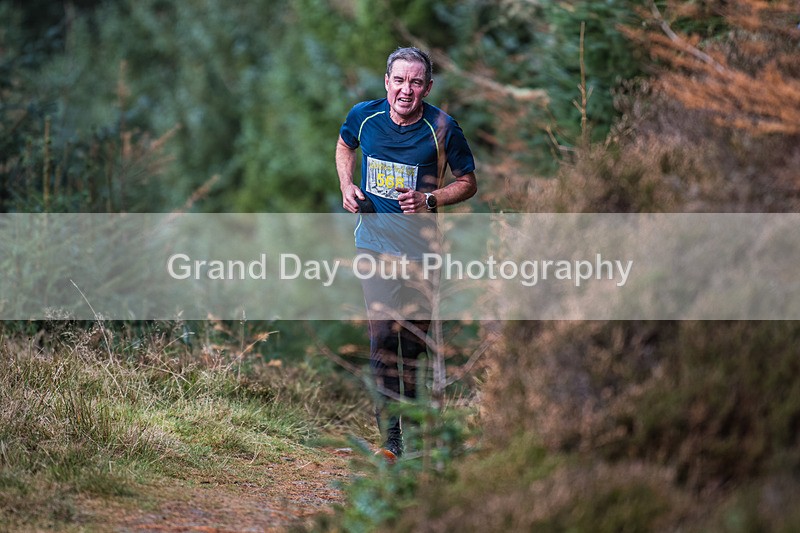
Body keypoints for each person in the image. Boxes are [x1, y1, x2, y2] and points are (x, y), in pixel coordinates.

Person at [335, 47, 477, 461]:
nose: (406, 90)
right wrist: (347, 187)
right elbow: (345, 146)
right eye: (399, 80)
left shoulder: (443, 127)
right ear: (386, 82)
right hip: (374, 243)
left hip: (421, 253)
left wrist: (430, 200)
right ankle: (390, 441)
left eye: (416, 82)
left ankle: (416, 434)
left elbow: (468, 181)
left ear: (427, 87)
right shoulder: (365, 116)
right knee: (381, 338)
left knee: (412, 345)